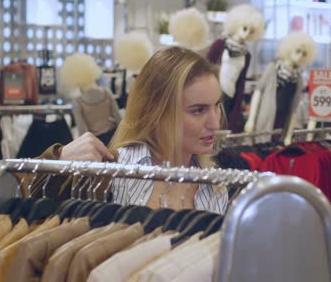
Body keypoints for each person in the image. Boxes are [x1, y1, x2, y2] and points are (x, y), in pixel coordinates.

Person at [41, 46, 228, 214]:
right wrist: (58, 160)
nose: (215, 124)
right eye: (198, 110)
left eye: (217, 105)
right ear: (157, 112)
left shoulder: (216, 187)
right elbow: (25, 200)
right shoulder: (109, 175)